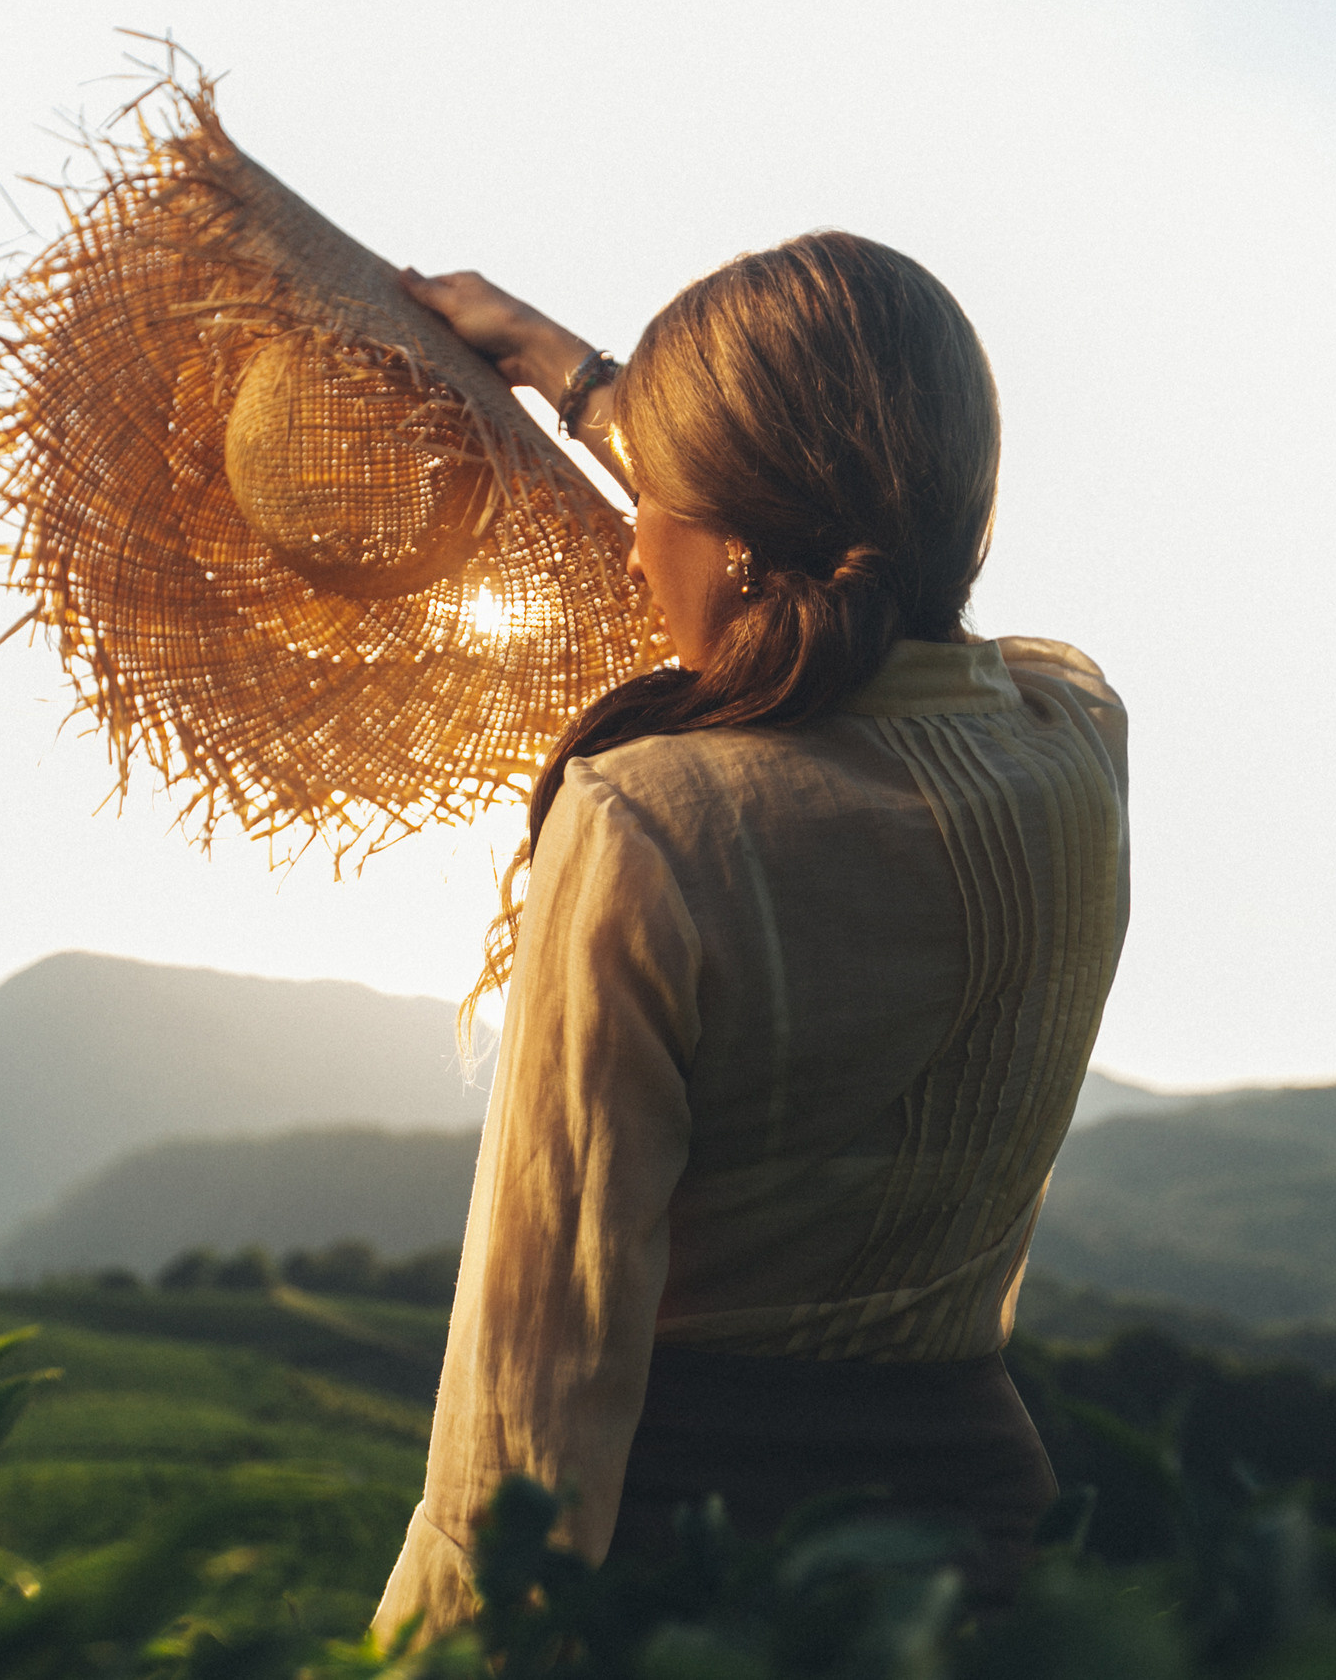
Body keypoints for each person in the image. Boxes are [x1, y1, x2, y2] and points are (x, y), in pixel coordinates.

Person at [376, 232, 1129, 1641]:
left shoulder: (650, 826)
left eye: (648, 497)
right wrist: (581, 377)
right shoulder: (1074, 745)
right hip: (995, 1565)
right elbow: (851, 551)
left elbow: (536, 1372)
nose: (628, 533)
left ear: (725, 536)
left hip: (707, 1577)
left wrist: (432, 1647)